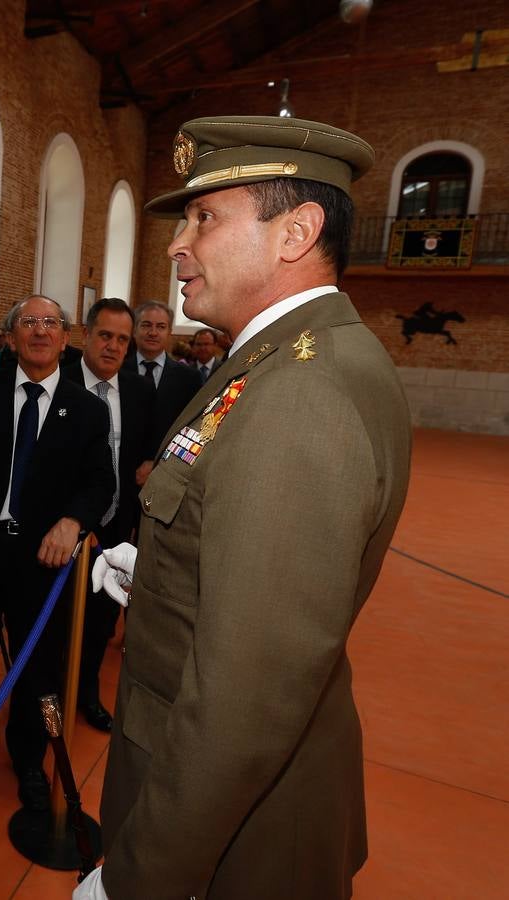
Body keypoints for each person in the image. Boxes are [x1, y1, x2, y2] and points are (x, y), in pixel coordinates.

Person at [78, 116, 411, 900]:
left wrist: (134, 880)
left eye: (204, 218)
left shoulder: (300, 393)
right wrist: (160, 570)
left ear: (295, 232)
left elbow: (243, 701)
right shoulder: (279, 359)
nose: (175, 245)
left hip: (223, 839)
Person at [0, 295, 114, 809]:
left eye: (50, 323)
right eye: (28, 323)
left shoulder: (88, 409)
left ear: (67, 338)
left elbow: (100, 482)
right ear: (12, 336)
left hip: (44, 563)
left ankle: (29, 760)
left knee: (38, 670)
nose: (39, 331)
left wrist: (74, 520)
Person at [59, 297, 156, 733]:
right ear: (85, 336)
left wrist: (153, 463)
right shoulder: (57, 382)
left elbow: (150, 448)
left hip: (117, 529)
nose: (113, 347)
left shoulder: (138, 390)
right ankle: (49, 702)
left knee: (100, 622)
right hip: (64, 530)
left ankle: (87, 695)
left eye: (122, 339)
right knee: (55, 628)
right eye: (105, 336)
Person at [123, 301, 201, 448]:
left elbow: (191, 427)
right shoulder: (117, 370)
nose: (153, 333)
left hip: (166, 461)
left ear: (169, 332)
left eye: (161, 327)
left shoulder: (189, 378)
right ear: (134, 330)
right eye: (146, 325)